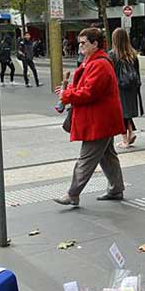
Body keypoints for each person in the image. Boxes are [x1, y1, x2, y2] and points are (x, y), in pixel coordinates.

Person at [53, 28, 126, 206]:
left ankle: (73, 194)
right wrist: (67, 92)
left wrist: (67, 95)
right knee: (107, 155)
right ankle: (116, 188)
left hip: (98, 121)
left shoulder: (98, 64)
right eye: (80, 42)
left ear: (95, 44)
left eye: (83, 42)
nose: (80, 46)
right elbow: (86, 89)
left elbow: (89, 92)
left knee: (86, 158)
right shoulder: (95, 61)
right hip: (102, 119)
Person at [108, 28, 144, 149]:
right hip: (132, 87)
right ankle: (131, 132)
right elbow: (137, 72)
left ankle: (125, 140)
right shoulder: (133, 54)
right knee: (127, 111)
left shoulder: (112, 55)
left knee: (121, 113)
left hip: (119, 87)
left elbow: (110, 73)